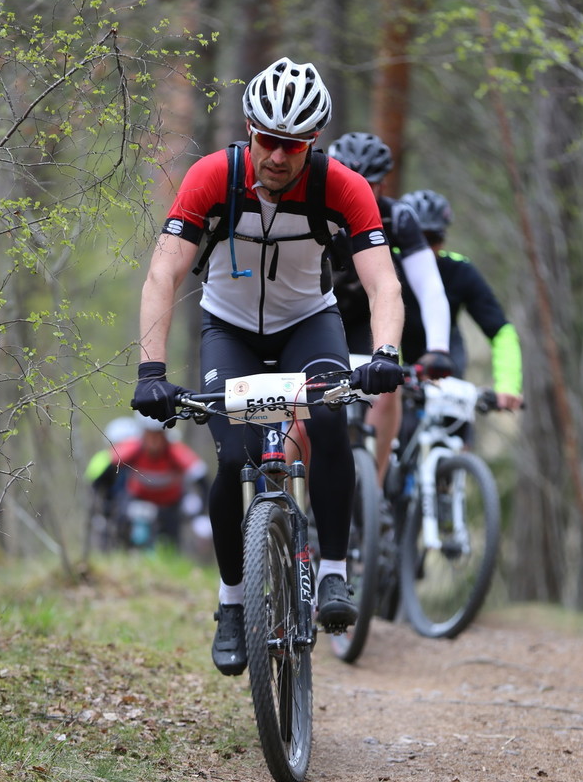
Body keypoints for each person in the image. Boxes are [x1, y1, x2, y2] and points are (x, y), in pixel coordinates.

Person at [130, 57, 404, 675]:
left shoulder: (343, 188)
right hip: (229, 330)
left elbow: (384, 285)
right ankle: (232, 603)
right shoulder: (211, 178)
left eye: (295, 145)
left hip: (311, 324)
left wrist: (384, 354)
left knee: (332, 422)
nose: (278, 156)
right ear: (250, 131)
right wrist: (151, 372)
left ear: (314, 143)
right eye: (268, 141)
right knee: (231, 457)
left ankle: (332, 573)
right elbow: (163, 271)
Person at [326, 133, 453, 481]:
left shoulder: (398, 218)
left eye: (368, 186)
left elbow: (430, 287)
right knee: (303, 412)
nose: (356, 193)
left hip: (368, 322)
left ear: (382, 185)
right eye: (348, 183)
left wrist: (439, 348)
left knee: (387, 388)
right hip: (321, 319)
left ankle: (374, 487)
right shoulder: (313, 210)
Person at [398, 189, 523, 413]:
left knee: (455, 425)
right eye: (416, 238)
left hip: (446, 363)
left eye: (433, 239)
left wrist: (507, 385)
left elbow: (501, 331)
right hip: (394, 360)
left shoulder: (460, 270)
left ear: (444, 237)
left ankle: (457, 448)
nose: (424, 248)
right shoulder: (386, 263)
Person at [86, 415, 209, 550]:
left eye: (158, 435)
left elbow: (201, 477)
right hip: (138, 498)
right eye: (150, 435)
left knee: (171, 541)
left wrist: (201, 512)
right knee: (122, 522)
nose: (154, 441)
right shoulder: (133, 448)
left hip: (170, 503)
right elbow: (105, 474)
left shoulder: (176, 451)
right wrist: (106, 506)